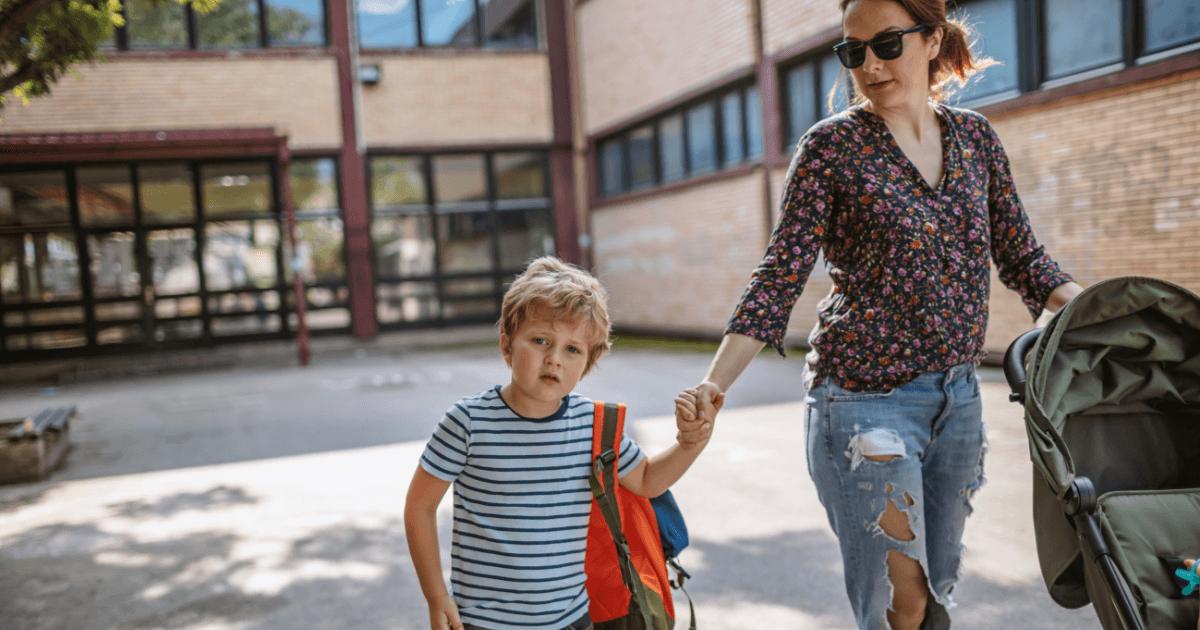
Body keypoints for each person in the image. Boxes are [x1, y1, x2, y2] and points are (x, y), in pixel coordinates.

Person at [675, 1, 1083, 629]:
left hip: (959, 401)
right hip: (863, 405)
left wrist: (1107, 313)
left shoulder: (976, 141)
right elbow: (779, 275)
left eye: (886, 43)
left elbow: (1025, 259)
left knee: (935, 592)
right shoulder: (831, 147)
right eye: (852, 50)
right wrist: (713, 384)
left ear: (931, 40)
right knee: (902, 598)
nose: (868, 64)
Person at [405, 256, 716, 630]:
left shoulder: (593, 424)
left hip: (572, 620)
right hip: (483, 622)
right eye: (540, 341)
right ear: (507, 345)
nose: (554, 359)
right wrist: (436, 595)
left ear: (586, 363)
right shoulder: (468, 422)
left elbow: (648, 480)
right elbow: (419, 508)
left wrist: (689, 443)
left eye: (573, 349)